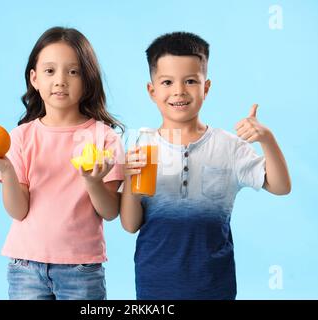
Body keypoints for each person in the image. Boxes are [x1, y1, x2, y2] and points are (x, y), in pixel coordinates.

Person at [120, 31, 291, 300]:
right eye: (167, 82)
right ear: (152, 91)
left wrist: (267, 140)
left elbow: (281, 186)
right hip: (155, 286)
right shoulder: (143, 147)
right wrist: (130, 180)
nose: (178, 91)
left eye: (190, 81)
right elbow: (130, 225)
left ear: (206, 88)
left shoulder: (229, 147)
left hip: (215, 287)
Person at [0, 26, 125, 300]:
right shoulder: (20, 137)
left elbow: (111, 211)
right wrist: (6, 169)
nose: (61, 81)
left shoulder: (104, 137)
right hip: (25, 268)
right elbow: (18, 211)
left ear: (87, 79)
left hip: (81, 269)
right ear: (34, 78)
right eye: (50, 71)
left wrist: (91, 181)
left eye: (73, 71)